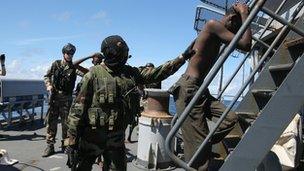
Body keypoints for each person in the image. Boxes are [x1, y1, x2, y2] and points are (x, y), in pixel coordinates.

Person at [66, 35, 195, 171]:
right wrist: (72, 142)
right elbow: (77, 110)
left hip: (117, 138)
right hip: (92, 136)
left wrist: (181, 58)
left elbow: (157, 73)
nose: (125, 57)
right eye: (122, 53)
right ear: (111, 54)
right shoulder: (93, 75)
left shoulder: (130, 73)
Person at [170, 3, 252, 170]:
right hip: (190, 88)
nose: (235, 33)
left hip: (200, 89)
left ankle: (199, 142)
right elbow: (246, 45)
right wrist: (245, 14)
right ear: (231, 18)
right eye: (236, 27)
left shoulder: (214, 30)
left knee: (230, 119)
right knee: (200, 161)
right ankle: (198, 147)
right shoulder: (213, 24)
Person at [42, 43, 77, 157]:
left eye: (72, 54)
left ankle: (66, 146)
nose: (70, 56)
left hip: (67, 99)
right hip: (54, 98)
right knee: (51, 123)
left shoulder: (75, 67)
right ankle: (50, 146)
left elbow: (87, 74)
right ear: (63, 53)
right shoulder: (55, 64)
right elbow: (46, 76)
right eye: (68, 53)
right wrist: (48, 85)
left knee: (66, 124)